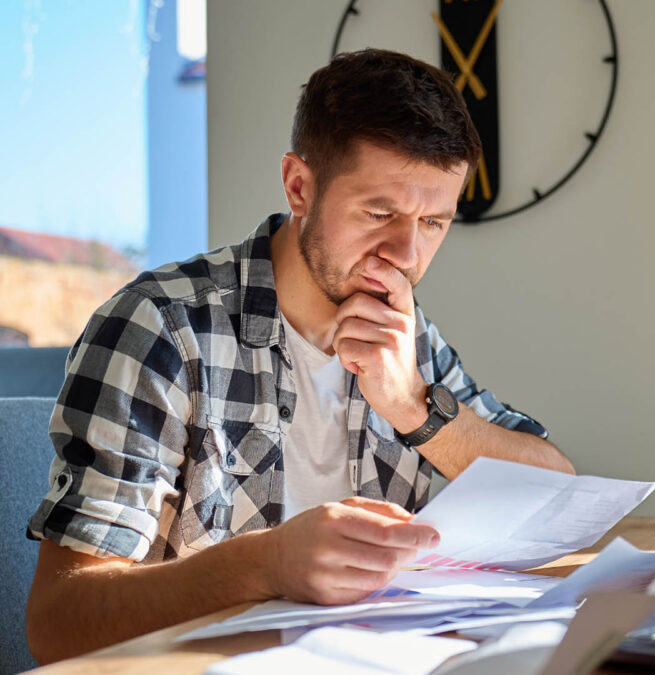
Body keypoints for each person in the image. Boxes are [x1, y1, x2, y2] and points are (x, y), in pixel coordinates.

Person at [25, 49, 574, 664]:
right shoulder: (160, 328)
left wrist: (417, 409)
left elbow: (558, 495)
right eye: (379, 213)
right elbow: (60, 624)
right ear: (299, 186)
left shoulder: (404, 334)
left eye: (433, 223)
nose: (407, 256)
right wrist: (265, 564)